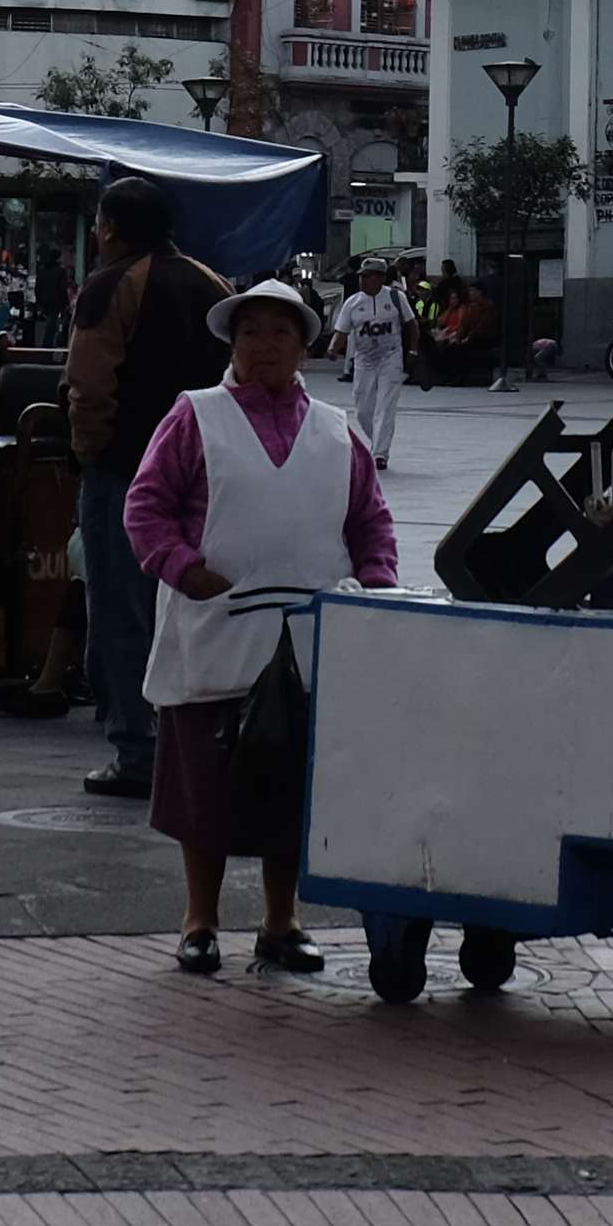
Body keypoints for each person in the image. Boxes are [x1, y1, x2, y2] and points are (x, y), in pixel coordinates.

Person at [124, 277, 394, 972]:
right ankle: (200, 920)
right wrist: (182, 567)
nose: (264, 345)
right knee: (204, 787)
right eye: (250, 332)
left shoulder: (337, 430)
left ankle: (282, 920)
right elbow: (146, 507)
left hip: (306, 636)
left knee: (290, 787)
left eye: (280, 333)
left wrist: (376, 588)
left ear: (303, 347)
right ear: (232, 344)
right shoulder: (195, 416)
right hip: (214, 627)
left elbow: (371, 522)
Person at [60, 176, 227, 800]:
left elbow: (88, 383)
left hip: (127, 471)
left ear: (109, 228)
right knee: (186, 609)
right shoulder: (213, 283)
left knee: (120, 607)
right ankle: (195, 741)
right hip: (204, 473)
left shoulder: (109, 283)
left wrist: (89, 454)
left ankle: (136, 747)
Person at [329, 262, 412, 468]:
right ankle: (378, 440)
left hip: (390, 358)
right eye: (362, 276)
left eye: (368, 276)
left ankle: (379, 454)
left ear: (380, 278)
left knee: (385, 405)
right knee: (363, 410)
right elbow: (341, 331)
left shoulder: (395, 298)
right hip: (364, 361)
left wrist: (413, 351)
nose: (363, 280)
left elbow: (412, 325)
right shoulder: (352, 303)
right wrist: (332, 349)